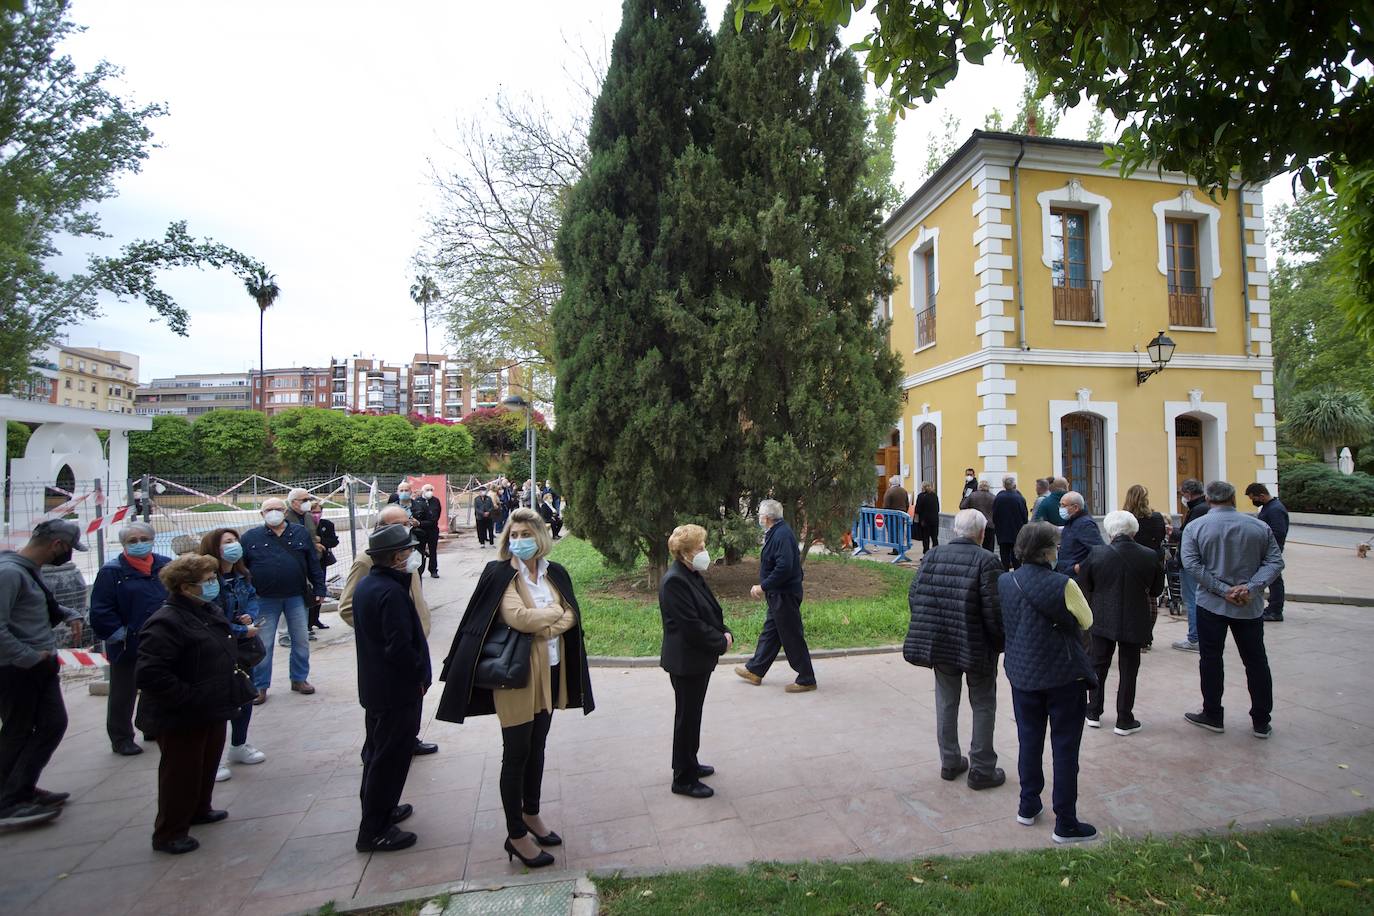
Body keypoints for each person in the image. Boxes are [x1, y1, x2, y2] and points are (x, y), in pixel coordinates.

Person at [435, 508, 594, 869]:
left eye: (525, 534)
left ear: (541, 537)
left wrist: (548, 621)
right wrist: (554, 615)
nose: (518, 541)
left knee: (537, 747)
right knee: (517, 753)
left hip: (551, 672)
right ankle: (516, 834)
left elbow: (573, 615)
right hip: (516, 676)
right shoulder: (500, 574)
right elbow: (518, 618)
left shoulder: (556, 574)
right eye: (513, 534)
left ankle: (531, 814)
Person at [137, 554, 252, 854]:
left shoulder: (206, 610)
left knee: (206, 762)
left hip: (211, 706)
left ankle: (201, 809)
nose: (214, 583)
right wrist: (188, 698)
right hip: (183, 713)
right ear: (186, 588)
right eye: (207, 580)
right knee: (181, 771)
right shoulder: (166, 621)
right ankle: (170, 832)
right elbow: (151, 674)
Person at [998, 522, 1099, 844]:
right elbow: (1087, 620)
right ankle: (1065, 822)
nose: (1058, 552)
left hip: (1022, 674)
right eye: (1055, 547)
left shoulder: (1005, 580)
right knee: (1065, 748)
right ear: (1046, 551)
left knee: (1029, 741)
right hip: (1062, 676)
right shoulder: (1063, 584)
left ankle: (1028, 806)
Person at [903, 509, 1005, 790]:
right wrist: (1000, 643)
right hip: (977, 646)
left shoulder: (933, 556)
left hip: (942, 642)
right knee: (983, 702)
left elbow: (915, 597)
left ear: (957, 531)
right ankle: (982, 768)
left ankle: (949, 761)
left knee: (946, 701)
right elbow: (995, 611)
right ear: (982, 534)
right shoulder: (988, 560)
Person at [0, 520, 86, 830]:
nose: (68, 556)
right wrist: (28, 657)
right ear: (57, 545)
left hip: (38, 664)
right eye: (69, 550)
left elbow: (35, 605)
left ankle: (22, 786)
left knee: (51, 724)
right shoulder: (9, 572)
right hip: (18, 668)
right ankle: (7, 801)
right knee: (18, 730)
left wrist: (68, 613)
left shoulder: (25, 569)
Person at [1181, 480, 1283, 738]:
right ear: (1234, 497)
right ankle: (1261, 720)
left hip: (1212, 604)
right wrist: (1250, 588)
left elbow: (1191, 565)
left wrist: (1224, 589)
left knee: (1211, 660)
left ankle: (1213, 713)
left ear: (1207, 498)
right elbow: (1275, 562)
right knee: (1256, 661)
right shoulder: (1259, 527)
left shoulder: (1196, 527)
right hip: (1248, 606)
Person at [351, 524, 431, 853]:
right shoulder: (391, 592)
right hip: (395, 691)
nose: (414, 555)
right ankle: (374, 830)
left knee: (377, 754)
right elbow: (399, 648)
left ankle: (382, 810)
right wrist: (417, 677)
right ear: (397, 556)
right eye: (409, 551)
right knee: (389, 759)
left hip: (377, 689)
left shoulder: (369, 585)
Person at [339, 506, 438, 756]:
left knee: (409, 704)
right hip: (389, 650)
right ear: (381, 528)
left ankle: (408, 740)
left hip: (409, 639)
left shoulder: (406, 552)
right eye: (399, 524)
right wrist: (380, 632)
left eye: (407, 522)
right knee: (386, 716)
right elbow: (347, 606)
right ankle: (375, 752)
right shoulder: (367, 561)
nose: (407, 527)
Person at [658, 524, 732, 799]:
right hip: (686, 662)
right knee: (686, 718)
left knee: (693, 715)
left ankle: (691, 762)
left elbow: (709, 610)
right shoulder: (674, 580)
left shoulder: (692, 573)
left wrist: (725, 631)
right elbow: (691, 626)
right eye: (700, 548)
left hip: (697, 660)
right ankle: (683, 778)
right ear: (685, 553)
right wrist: (720, 641)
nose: (705, 552)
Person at [1077, 511, 1165, 735]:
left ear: (1108, 531)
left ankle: (1093, 711)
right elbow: (1155, 590)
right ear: (1134, 531)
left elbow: (1085, 584)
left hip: (1102, 617)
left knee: (1098, 665)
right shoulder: (1149, 555)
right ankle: (1124, 719)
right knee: (1129, 669)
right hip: (1134, 618)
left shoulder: (1097, 553)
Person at [88, 522, 170, 756]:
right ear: (124, 544)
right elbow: (101, 610)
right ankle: (121, 737)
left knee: (155, 686)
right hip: (128, 643)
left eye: (143, 538)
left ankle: (150, 725)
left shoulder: (165, 565)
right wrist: (120, 635)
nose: (139, 544)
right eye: (132, 541)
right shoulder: (111, 572)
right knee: (123, 693)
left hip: (162, 640)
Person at [240, 497, 325, 703]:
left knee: (301, 640)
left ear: (285, 511)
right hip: (264, 599)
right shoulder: (251, 537)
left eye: (278, 509)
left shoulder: (300, 533)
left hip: (295, 596)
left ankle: (299, 678)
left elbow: (313, 563)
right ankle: (260, 686)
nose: (274, 512)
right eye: (269, 509)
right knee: (264, 644)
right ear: (262, 514)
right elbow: (243, 568)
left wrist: (320, 588)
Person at [199, 528, 267, 781]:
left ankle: (239, 745)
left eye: (235, 541)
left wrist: (249, 616)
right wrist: (241, 629)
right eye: (227, 542)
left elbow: (251, 598)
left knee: (244, 695)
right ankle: (211, 758)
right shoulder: (207, 581)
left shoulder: (240, 575)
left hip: (241, 648)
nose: (234, 545)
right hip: (216, 647)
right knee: (217, 704)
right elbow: (210, 617)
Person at [735, 500, 816, 692]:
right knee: (771, 633)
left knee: (792, 636)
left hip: (784, 594)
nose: (759, 519)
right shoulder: (777, 532)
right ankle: (755, 670)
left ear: (767, 517)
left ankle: (806, 678)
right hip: (778, 595)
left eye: (760, 516)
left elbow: (784, 568)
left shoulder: (781, 535)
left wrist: (763, 586)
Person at [1171, 479, 1209, 652]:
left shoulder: (1198, 510)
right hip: (1200, 560)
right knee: (1198, 598)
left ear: (1188, 493)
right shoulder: (1203, 507)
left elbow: (1188, 535)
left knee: (1192, 599)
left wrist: (1173, 531)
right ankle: (1201, 636)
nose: (1182, 497)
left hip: (1191, 561)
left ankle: (1194, 638)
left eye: (1182, 493)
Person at [1245, 483, 1289, 622]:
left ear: (1262, 496)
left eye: (1254, 498)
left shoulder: (1275, 509)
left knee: (1274, 580)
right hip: (1266, 549)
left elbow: (1278, 532)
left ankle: (1276, 610)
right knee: (1271, 579)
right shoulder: (1268, 507)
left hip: (1271, 550)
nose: (1253, 501)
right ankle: (1272, 608)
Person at [1054, 492, 1103, 579]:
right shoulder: (1071, 521)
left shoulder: (1085, 524)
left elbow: (1099, 550)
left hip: (1077, 577)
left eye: (1063, 505)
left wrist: (1079, 567)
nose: (1061, 508)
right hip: (1066, 574)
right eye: (1060, 505)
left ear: (1076, 507)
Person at [992, 477, 1029, 570]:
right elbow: (1024, 516)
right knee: (1016, 556)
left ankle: (1005, 574)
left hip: (1002, 531)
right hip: (1017, 531)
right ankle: (1017, 575)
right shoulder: (1020, 498)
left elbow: (994, 515)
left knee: (1004, 555)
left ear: (1004, 485)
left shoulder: (998, 498)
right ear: (1014, 485)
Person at [1123, 485, 1168, 556]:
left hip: (1130, 555)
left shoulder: (1124, 518)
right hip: (1152, 554)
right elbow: (1161, 537)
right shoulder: (1156, 517)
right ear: (1145, 499)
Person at [410, 483, 443, 578]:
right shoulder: (417, 501)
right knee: (420, 551)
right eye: (427, 490)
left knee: (433, 551)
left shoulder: (436, 501)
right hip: (421, 531)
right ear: (423, 491)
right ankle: (419, 570)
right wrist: (420, 524)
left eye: (431, 490)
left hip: (432, 530)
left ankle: (433, 570)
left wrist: (421, 523)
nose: (429, 492)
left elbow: (435, 517)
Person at [882, 475, 911, 556]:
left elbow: (886, 505)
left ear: (890, 483)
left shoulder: (889, 491)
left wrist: (885, 515)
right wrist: (904, 511)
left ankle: (895, 549)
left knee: (892, 532)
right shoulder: (904, 491)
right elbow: (907, 504)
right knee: (900, 531)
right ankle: (900, 547)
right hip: (901, 515)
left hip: (891, 516)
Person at [915, 481, 941, 553]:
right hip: (935, 520)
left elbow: (918, 509)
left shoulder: (921, 496)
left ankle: (926, 553)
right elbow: (938, 508)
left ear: (923, 487)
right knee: (934, 538)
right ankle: (936, 553)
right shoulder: (934, 495)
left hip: (925, 521)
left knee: (925, 538)